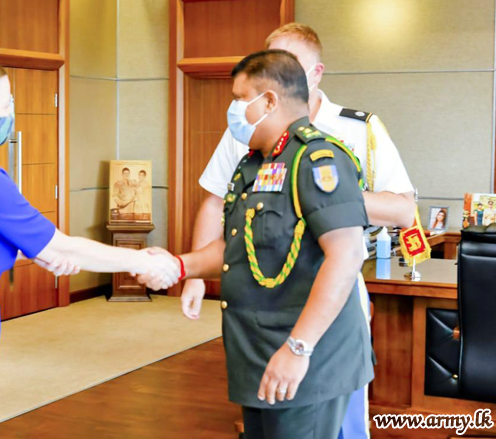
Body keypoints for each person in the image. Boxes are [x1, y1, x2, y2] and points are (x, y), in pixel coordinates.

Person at [0, 54, 180, 438]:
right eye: (6, 102)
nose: (12, 111)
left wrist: (37, 250)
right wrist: (142, 260)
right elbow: (64, 248)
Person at [180, 23, 415, 439]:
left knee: (337, 416)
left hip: (328, 292)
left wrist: (322, 201)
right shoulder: (250, 126)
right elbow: (217, 201)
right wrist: (191, 273)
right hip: (261, 300)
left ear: (315, 72)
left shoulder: (355, 128)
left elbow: (403, 209)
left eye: (289, 62)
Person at [143, 50, 373, 438]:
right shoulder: (253, 164)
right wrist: (180, 266)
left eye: (239, 98)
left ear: (268, 101)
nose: (233, 109)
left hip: (308, 357)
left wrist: (298, 348)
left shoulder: (317, 160)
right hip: (258, 351)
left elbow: (346, 255)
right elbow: (238, 249)